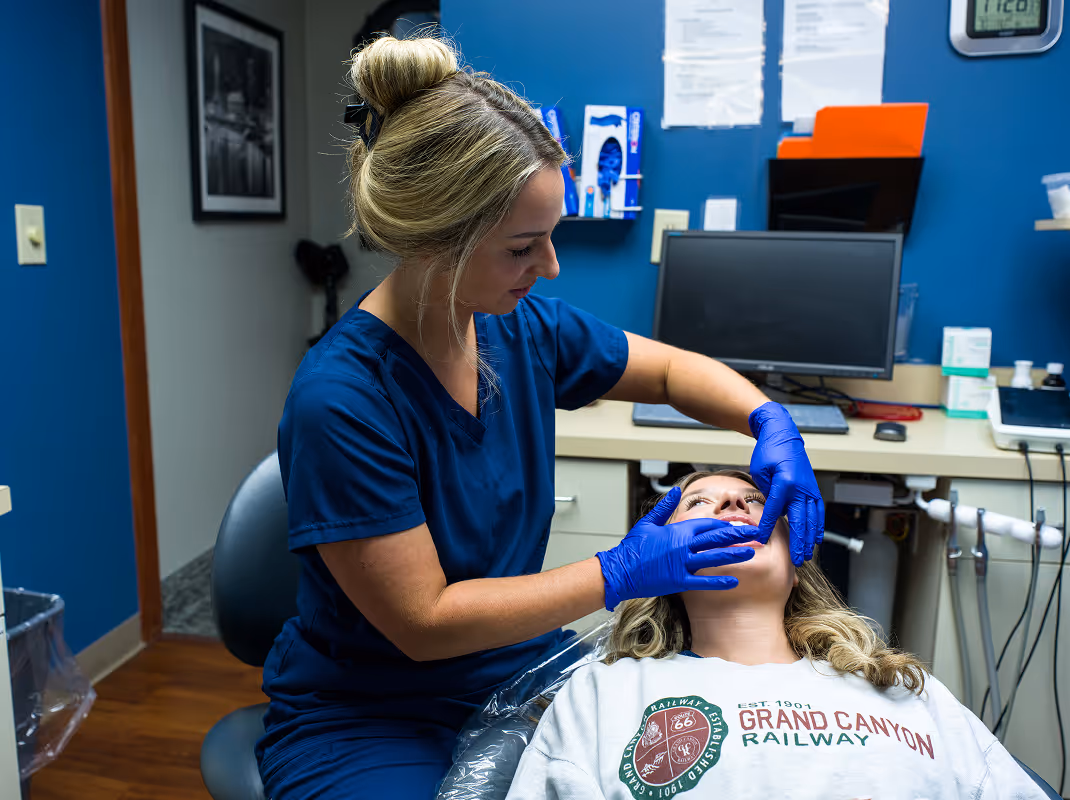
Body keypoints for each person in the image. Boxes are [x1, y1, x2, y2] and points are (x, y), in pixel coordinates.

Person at [255, 34, 826, 800]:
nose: (550, 266)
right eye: (525, 246)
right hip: (371, 713)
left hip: (520, 664)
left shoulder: (520, 328)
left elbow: (669, 370)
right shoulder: (344, 400)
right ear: (435, 242)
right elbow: (422, 622)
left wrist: (768, 420)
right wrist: (620, 571)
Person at [504, 470, 1050, 800]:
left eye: (755, 502)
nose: (734, 505)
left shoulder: (908, 691)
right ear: (657, 565)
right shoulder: (607, 695)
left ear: (795, 566)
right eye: (697, 504)